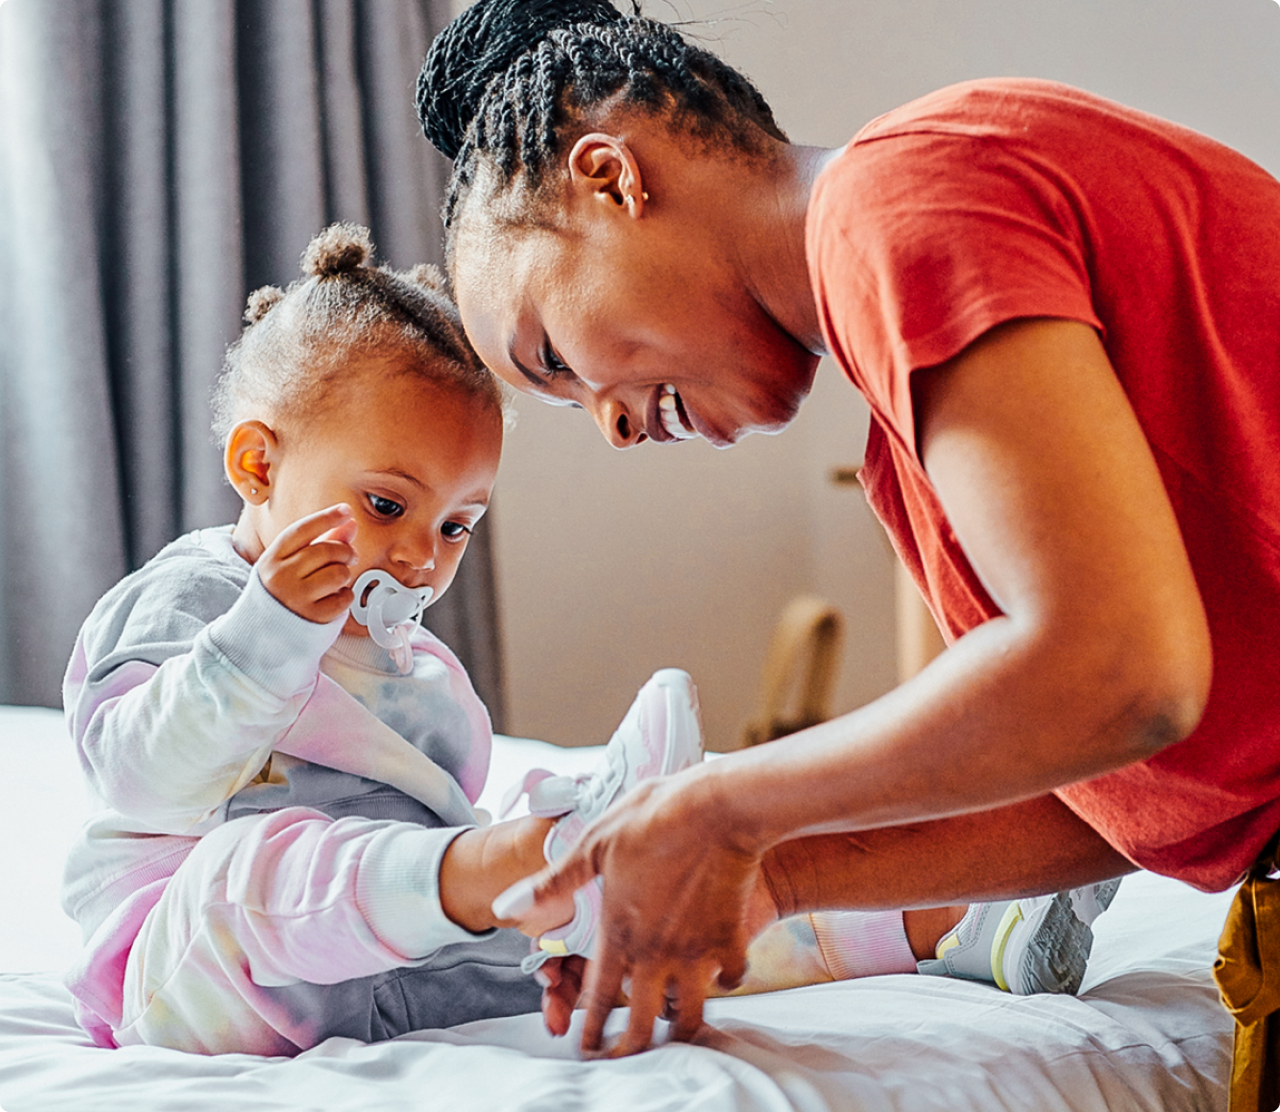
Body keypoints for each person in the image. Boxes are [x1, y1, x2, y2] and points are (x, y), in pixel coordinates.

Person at [413, 0, 1280, 1096]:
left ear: (611, 179)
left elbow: (1119, 669)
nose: (614, 425)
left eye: (552, 353)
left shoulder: (896, 198)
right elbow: (1126, 782)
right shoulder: (902, 452)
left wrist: (725, 802)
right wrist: (770, 878)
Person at [59, 222, 713, 1056]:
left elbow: (430, 816)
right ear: (258, 466)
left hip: (376, 980)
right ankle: (533, 858)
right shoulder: (187, 598)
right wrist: (271, 633)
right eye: (387, 506)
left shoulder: (409, 659)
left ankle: (888, 925)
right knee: (251, 867)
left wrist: (532, 934)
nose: (420, 556)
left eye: (455, 526)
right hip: (195, 977)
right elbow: (139, 780)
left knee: (577, 923)